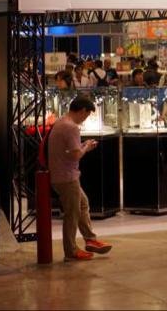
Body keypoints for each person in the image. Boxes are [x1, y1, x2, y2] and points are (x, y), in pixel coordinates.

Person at [46, 95, 112, 261]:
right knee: (72, 213)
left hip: (60, 174)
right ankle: (71, 251)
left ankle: (90, 239)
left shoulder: (61, 122)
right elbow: (75, 155)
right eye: (87, 115)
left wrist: (82, 145)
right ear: (82, 111)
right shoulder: (71, 127)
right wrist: (87, 147)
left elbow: (68, 151)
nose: (86, 118)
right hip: (66, 177)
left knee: (82, 204)